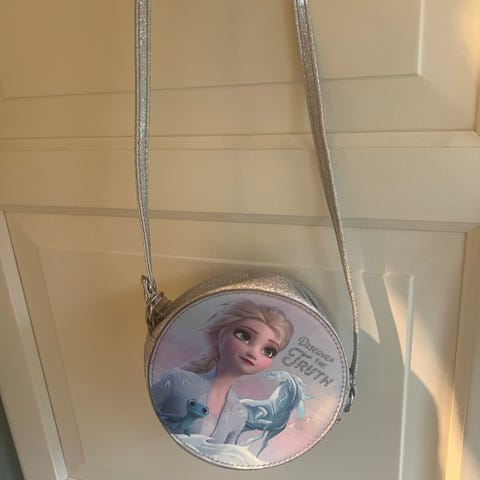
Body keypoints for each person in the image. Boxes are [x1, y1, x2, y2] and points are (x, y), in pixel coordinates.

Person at [150, 299, 294, 444]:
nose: (253, 353)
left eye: (268, 351)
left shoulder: (240, 413)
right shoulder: (176, 380)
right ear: (217, 335)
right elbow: (139, 411)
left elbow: (225, 454)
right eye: (244, 336)